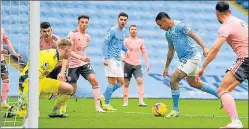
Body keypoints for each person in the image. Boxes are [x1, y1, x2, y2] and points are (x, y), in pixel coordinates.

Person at [155, 12, 220, 117]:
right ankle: (219, 94)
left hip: (192, 57)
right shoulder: (168, 34)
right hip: (186, 59)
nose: (160, 28)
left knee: (173, 80)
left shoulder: (179, 25)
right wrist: (166, 67)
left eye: (160, 25)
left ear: (165, 21)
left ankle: (175, 110)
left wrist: (204, 47)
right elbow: (171, 51)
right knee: (193, 83)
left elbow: (193, 34)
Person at [197, 1, 248, 128]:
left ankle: (236, 122)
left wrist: (203, 67)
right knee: (227, 89)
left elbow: (215, 49)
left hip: (245, 59)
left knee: (223, 89)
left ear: (217, 13)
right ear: (229, 11)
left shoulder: (226, 26)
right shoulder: (240, 21)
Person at [4, 38, 73, 118]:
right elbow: (32, 77)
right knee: (35, 116)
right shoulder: (49, 58)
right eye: (71, 50)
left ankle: (55, 111)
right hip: (28, 82)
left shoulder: (55, 56)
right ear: (67, 49)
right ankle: (18, 106)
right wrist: (26, 95)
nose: (71, 53)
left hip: (40, 81)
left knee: (68, 89)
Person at [65, 14, 105, 112]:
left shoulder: (88, 37)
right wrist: (81, 57)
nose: (84, 24)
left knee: (94, 80)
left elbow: (82, 50)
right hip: (72, 65)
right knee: (72, 90)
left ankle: (98, 107)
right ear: (78, 22)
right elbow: (69, 51)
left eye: (86, 23)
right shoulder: (72, 34)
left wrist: (83, 59)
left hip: (83, 64)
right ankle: (61, 106)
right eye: (82, 22)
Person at [102, 12, 130, 111]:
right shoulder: (112, 30)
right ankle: (106, 104)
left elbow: (120, 44)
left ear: (127, 21)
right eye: (121, 19)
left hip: (118, 59)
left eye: (125, 20)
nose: (123, 21)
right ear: (118, 19)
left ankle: (103, 96)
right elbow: (104, 44)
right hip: (111, 59)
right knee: (112, 82)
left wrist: (126, 50)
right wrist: (105, 58)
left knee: (121, 82)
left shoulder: (123, 31)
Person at [122, 25, 150, 107]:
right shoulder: (125, 41)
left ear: (137, 31)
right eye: (132, 29)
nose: (133, 31)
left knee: (140, 81)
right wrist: (122, 58)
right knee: (126, 83)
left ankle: (141, 101)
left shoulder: (140, 41)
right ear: (129, 30)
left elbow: (144, 52)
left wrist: (147, 63)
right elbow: (120, 50)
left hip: (137, 65)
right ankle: (125, 102)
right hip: (127, 64)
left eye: (135, 29)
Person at [1, 27, 22, 108]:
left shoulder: (2, 29)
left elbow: (8, 42)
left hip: (1, 60)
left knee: (6, 80)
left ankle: (4, 102)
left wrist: (14, 53)